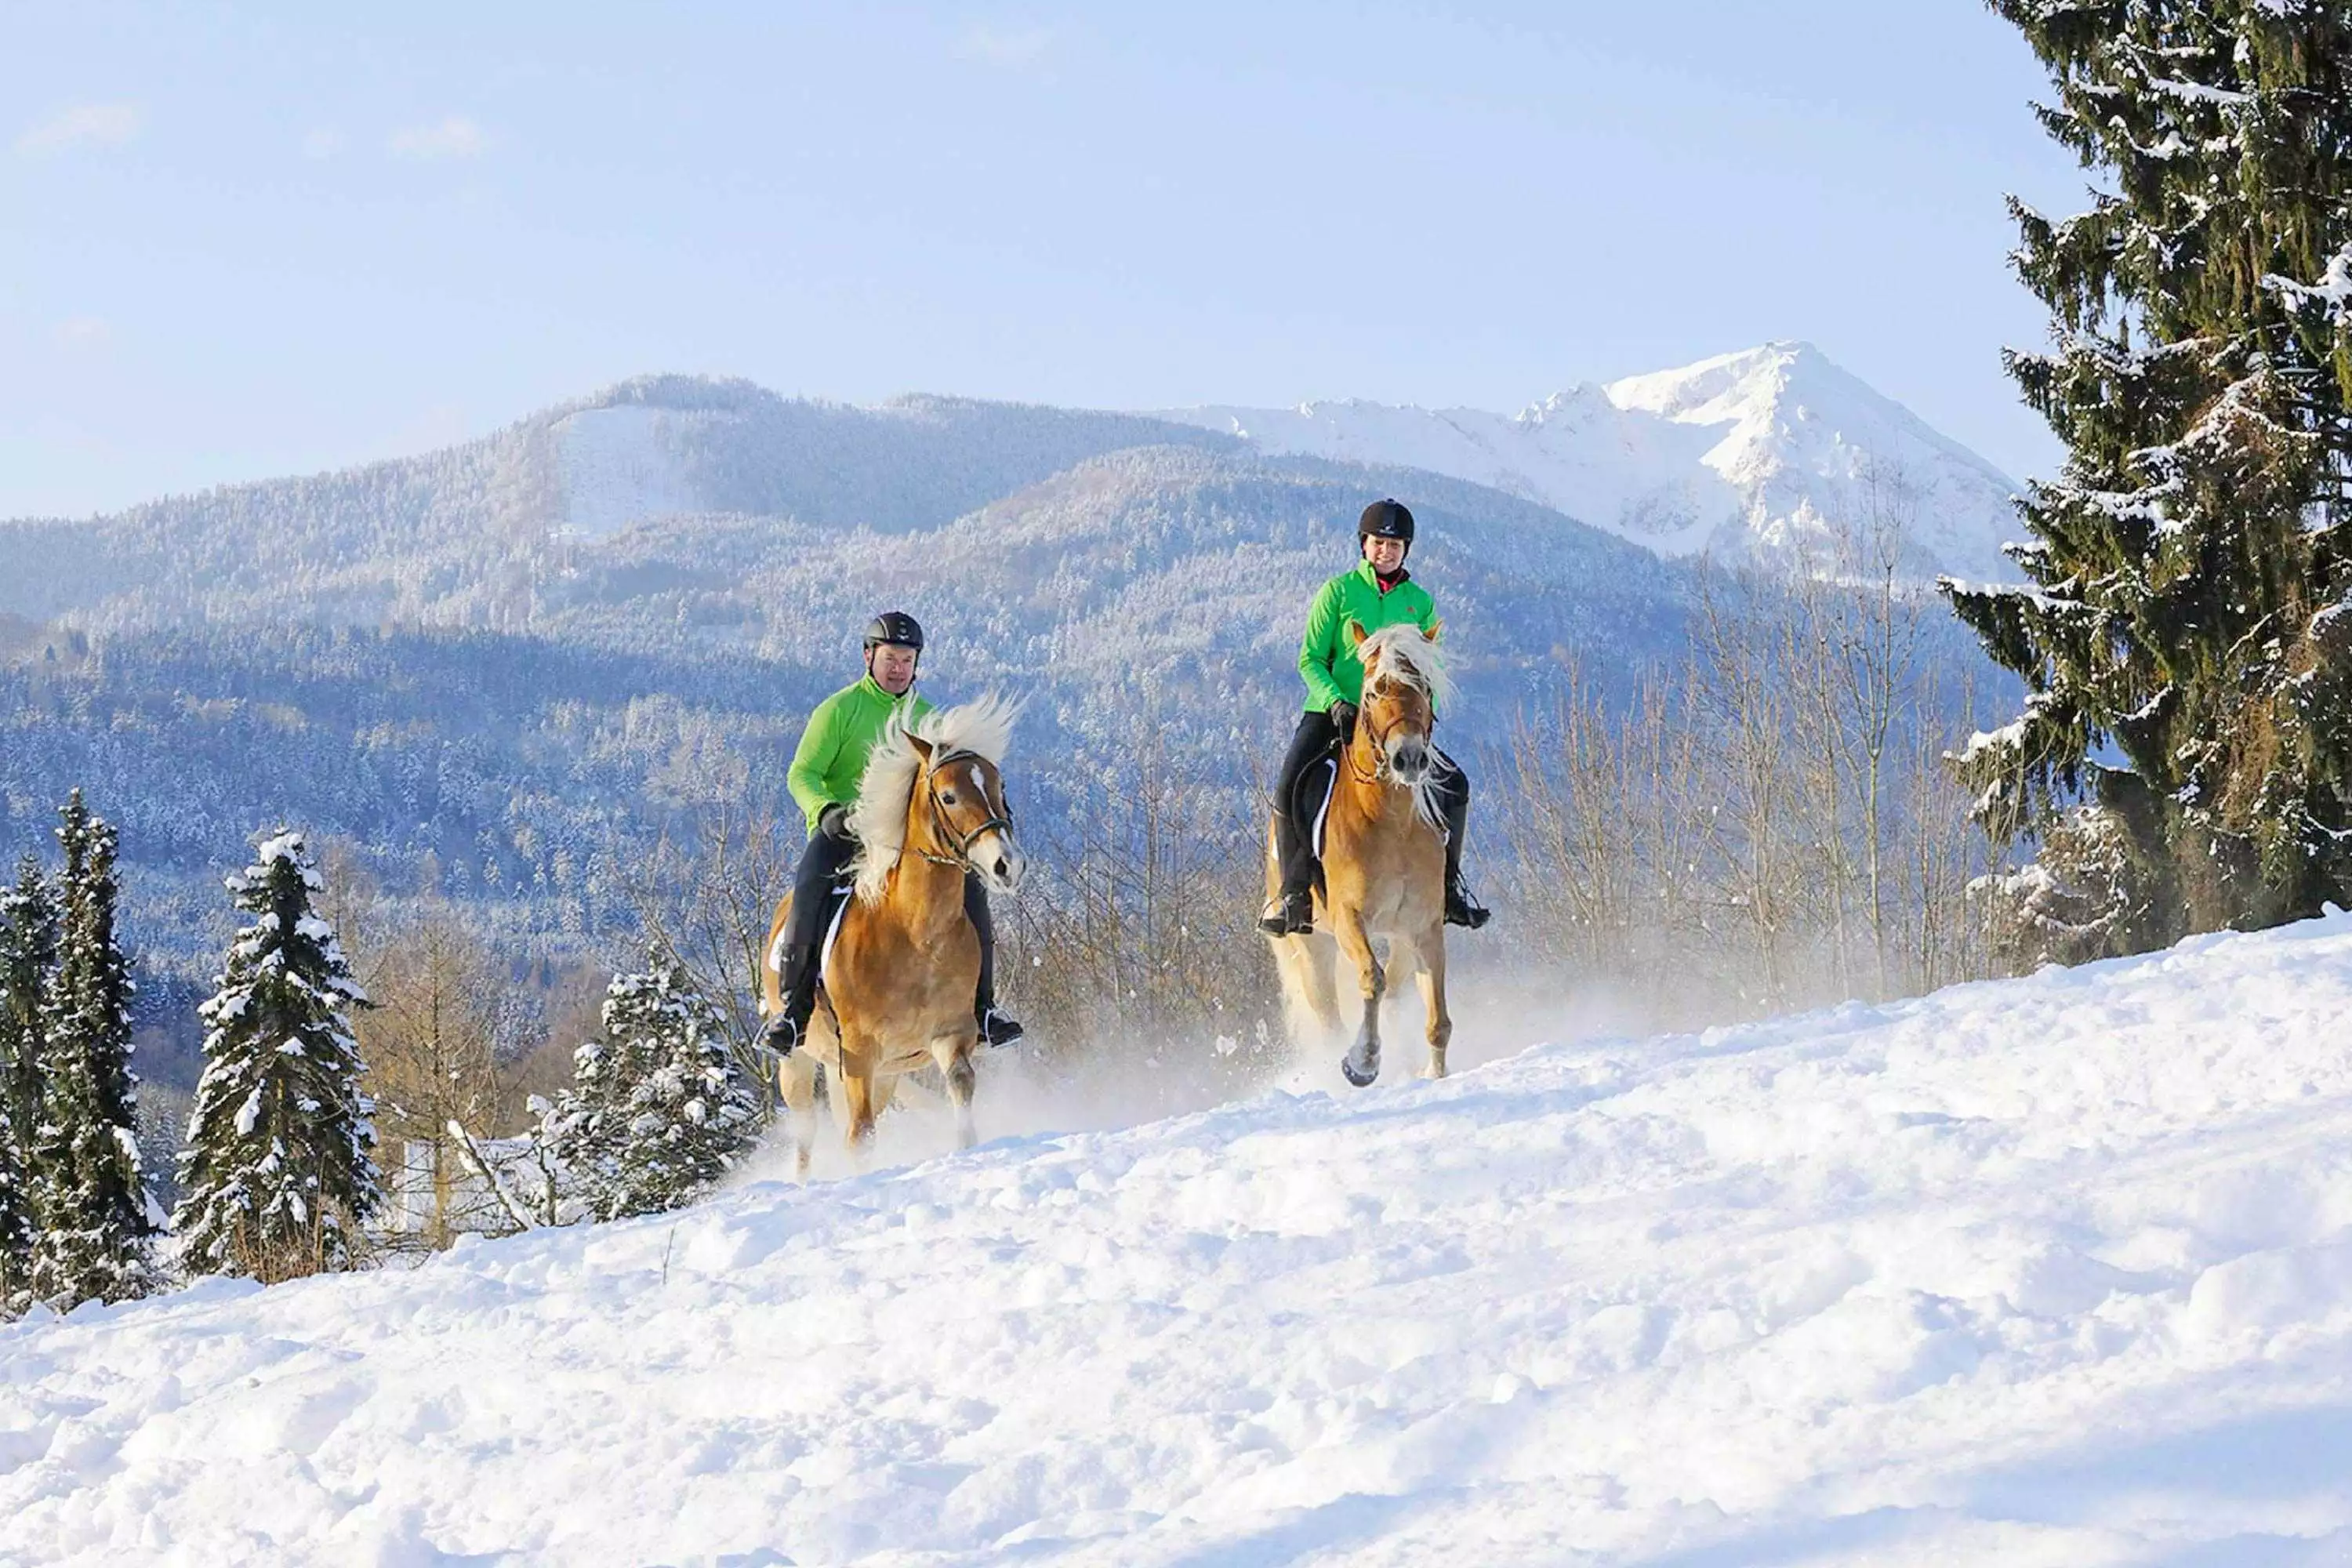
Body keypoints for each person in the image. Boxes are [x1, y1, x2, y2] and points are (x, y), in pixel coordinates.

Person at [765, 611, 1023, 1056]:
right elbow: (802, 774)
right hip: (844, 830)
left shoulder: (927, 720)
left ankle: (983, 1008)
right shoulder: (839, 710)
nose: (898, 667)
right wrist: (825, 810)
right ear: (869, 657)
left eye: (907, 659)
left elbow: (955, 782)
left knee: (972, 892)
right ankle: (793, 1011)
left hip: (911, 840)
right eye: (890, 657)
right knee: (809, 886)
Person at [1260, 499, 1490, 936]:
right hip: (1335, 712)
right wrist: (1334, 702)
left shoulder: (1419, 603)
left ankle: (1449, 890)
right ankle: (1293, 895)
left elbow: (1429, 673)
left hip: (1395, 722)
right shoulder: (1339, 593)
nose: (1386, 550)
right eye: (1379, 542)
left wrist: (1420, 723)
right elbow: (1310, 659)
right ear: (1364, 545)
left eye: (1395, 544)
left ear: (1407, 550)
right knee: (1290, 786)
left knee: (1455, 785)